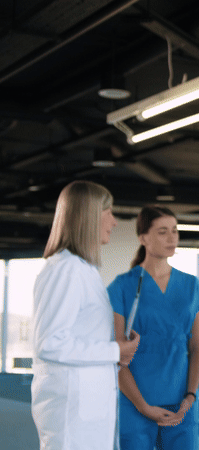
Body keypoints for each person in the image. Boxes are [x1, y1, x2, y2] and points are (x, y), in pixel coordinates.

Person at [31, 180, 140, 450]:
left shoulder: (84, 270)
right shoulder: (65, 269)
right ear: (90, 215)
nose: (114, 222)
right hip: (71, 414)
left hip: (87, 409)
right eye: (109, 212)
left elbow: (81, 337)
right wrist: (114, 351)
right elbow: (50, 344)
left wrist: (118, 352)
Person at [107, 205, 199, 450]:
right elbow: (116, 354)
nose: (172, 237)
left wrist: (190, 397)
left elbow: (196, 347)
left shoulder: (191, 285)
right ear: (143, 238)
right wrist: (143, 406)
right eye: (163, 231)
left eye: (175, 230)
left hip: (182, 404)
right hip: (135, 403)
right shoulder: (122, 286)